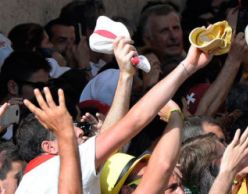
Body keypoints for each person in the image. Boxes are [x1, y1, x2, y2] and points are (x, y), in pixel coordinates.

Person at [15, 39, 215, 194]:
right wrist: (187, 67)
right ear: (51, 147)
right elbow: (136, 128)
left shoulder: (30, 180)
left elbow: (122, 129)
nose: (79, 129)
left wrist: (126, 76)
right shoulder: (58, 168)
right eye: (68, 126)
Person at [136, 2, 184, 69]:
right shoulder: (137, 72)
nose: (173, 36)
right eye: (164, 31)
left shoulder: (198, 63)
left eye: (176, 28)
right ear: (148, 40)